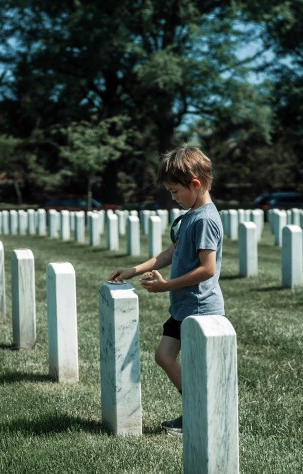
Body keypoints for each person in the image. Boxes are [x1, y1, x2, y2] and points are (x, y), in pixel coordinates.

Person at [108, 145, 225, 435]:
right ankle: (196, 410)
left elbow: (207, 269)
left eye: (175, 192)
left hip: (200, 309)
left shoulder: (207, 219)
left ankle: (199, 416)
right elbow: (169, 253)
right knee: (163, 356)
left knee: (196, 369)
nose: (173, 198)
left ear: (195, 185)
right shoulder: (190, 216)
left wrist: (166, 286)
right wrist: (133, 270)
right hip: (183, 307)